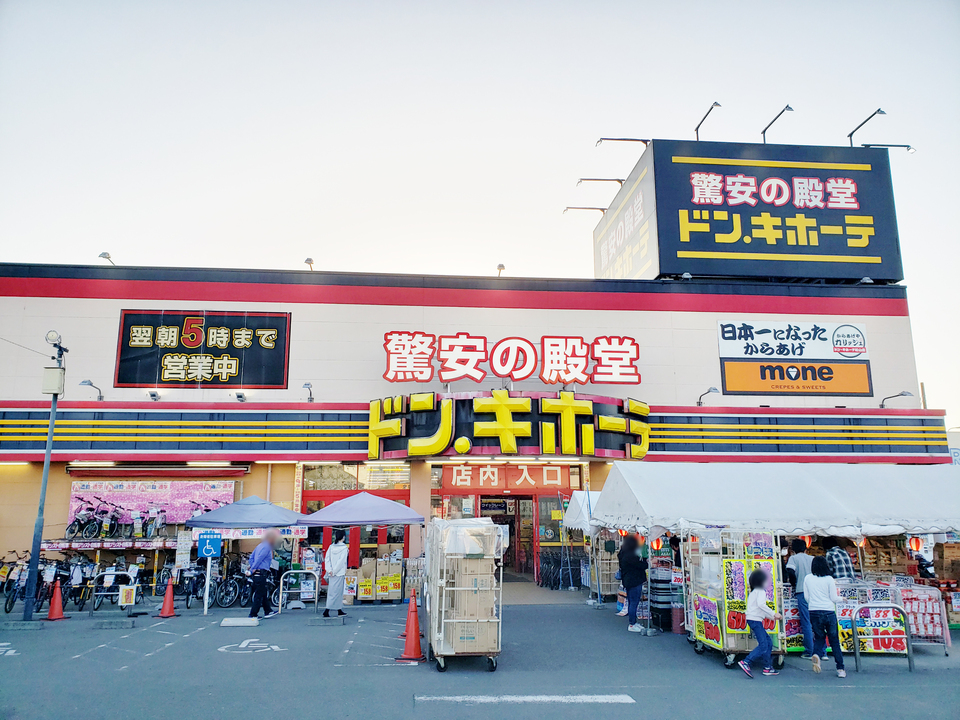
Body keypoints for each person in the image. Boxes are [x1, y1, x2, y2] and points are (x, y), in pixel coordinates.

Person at [803, 555, 846, 678]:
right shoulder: (829, 579)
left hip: (814, 611)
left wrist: (813, 603)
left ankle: (816, 653)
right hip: (828, 611)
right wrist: (841, 599)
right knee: (834, 641)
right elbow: (833, 598)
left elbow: (807, 597)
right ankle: (840, 668)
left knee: (819, 637)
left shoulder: (808, 578)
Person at [738, 568, 783, 678]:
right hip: (755, 620)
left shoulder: (754, 592)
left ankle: (767, 667)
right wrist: (774, 614)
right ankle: (747, 661)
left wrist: (772, 616)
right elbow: (761, 605)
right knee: (764, 645)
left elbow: (759, 609)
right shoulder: (760, 591)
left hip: (753, 619)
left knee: (768, 643)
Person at [785, 539, 814, 658]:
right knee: (816, 621)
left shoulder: (793, 558)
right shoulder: (812, 559)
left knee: (806, 621)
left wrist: (793, 582)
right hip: (814, 591)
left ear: (793, 549)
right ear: (805, 548)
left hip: (802, 591)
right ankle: (822, 652)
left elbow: (790, 571)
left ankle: (809, 651)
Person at [617, 534, 648, 633]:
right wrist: (646, 562)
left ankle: (633, 622)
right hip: (634, 580)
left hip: (627, 580)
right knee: (634, 602)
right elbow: (641, 565)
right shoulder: (630, 556)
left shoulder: (622, 554)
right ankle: (632, 624)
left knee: (631, 601)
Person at [248, 529, 280, 619]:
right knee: (259, 594)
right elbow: (259, 559)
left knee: (262, 592)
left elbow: (251, 557)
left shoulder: (259, 545)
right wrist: (253, 568)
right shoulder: (266, 547)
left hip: (257, 574)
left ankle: (268, 610)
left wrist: (252, 566)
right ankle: (253, 614)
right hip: (261, 573)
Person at [323, 529, 349, 618]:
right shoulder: (344, 548)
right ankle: (328, 610)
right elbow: (341, 562)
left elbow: (327, 559)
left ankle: (338, 609)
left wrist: (329, 570)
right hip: (339, 573)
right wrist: (334, 571)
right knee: (337, 592)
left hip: (331, 573)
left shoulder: (331, 547)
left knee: (332, 591)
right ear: (343, 537)